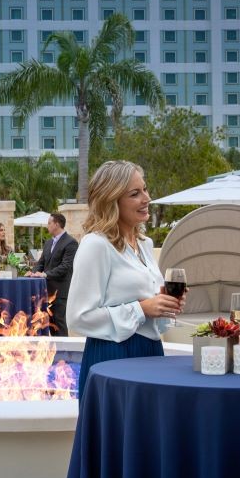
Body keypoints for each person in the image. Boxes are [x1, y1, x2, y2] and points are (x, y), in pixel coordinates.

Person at [66, 160, 185, 396]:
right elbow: (78, 318)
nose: (146, 198)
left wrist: (163, 304)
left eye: (145, 189)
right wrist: (143, 308)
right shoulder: (96, 245)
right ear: (112, 201)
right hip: (113, 358)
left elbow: (149, 311)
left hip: (151, 352)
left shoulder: (145, 244)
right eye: (135, 193)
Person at [28, 213, 79, 336]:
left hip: (59, 292)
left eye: (49, 223)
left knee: (59, 323)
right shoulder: (48, 243)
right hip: (45, 291)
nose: (47, 226)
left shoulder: (71, 242)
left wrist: (45, 275)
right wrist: (33, 273)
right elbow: (41, 263)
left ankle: (65, 353)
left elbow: (66, 266)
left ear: (57, 224)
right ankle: (53, 353)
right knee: (49, 323)